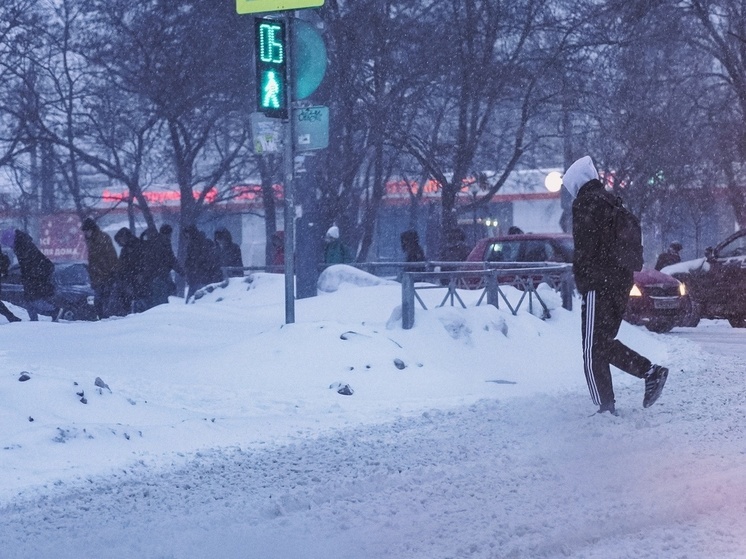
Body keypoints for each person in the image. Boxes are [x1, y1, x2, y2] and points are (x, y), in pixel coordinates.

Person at [562, 155, 668, 415]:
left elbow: (584, 250)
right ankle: (645, 375)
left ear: (576, 184)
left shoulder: (586, 204)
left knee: (591, 347)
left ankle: (608, 403)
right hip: (619, 283)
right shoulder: (611, 202)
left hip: (599, 283)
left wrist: (584, 282)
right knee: (602, 343)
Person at [13, 230, 58, 321]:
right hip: (33, 276)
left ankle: (53, 311)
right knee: (31, 299)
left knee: (32, 299)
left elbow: (28, 263)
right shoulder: (26, 245)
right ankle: (40, 316)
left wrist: (30, 275)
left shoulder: (22, 247)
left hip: (34, 276)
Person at [81, 218, 118, 319]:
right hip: (99, 275)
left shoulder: (100, 240)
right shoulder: (95, 240)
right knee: (101, 301)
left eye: (86, 231)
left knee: (102, 300)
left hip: (103, 275)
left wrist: (109, 271)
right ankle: (104, 318)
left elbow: (110, 257)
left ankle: (104, 319)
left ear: (91, 230)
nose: (85, 233)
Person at [113, 227, 149, 314]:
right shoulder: (129, 248)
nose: (119, 243)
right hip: (130, 279)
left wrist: (139, 274)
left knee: (137, 301)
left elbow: (140, 262)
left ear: (125, 237)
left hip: (134, 279)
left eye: (120, 240)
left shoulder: (134, 247)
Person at [183, 225, 221, 301]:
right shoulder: (204, 242)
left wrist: (190, 269)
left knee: (194, 299)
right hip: (202, 275)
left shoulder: (194, 244)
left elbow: (191, 260)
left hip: (198, 275)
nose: (186, 237)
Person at [0, 244, 21, 322]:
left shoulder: (3, 258)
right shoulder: (3, 257)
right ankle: (11, 317)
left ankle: (11, 317)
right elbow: (5, 268)